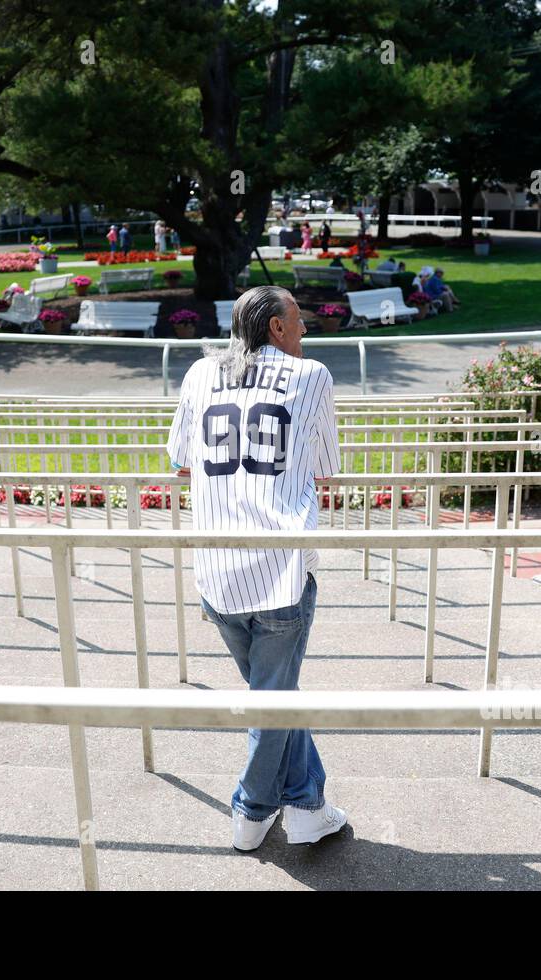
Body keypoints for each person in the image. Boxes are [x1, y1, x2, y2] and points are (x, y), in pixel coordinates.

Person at [167, 284, 349, 852]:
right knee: (274, 698)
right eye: (298, 322)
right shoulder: (312, 375)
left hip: (217, 570)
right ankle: (252, 809)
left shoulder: (200, 374)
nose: (303, 331)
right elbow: (326, 467)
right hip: (280, 569)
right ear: (275, 327)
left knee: (274, 692)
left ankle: (307, 806)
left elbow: (178, 462)